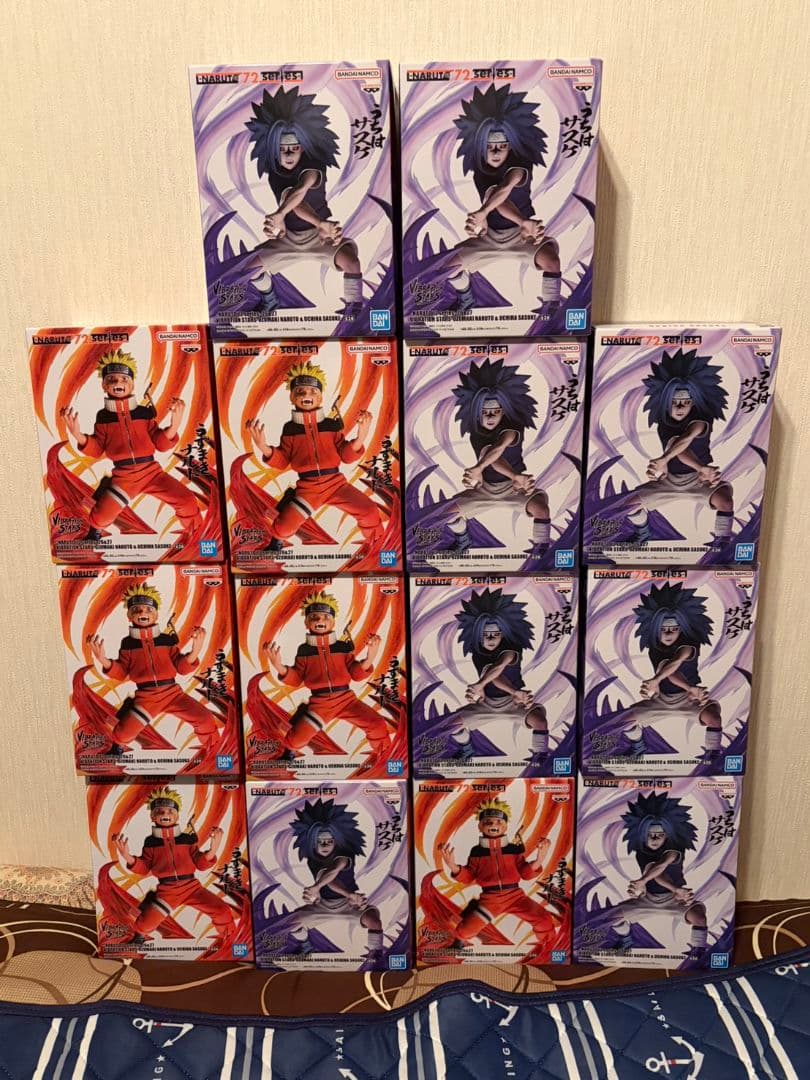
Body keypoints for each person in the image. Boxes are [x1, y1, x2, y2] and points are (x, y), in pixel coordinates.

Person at [245, 85, 364, 318]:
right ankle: (270, 299)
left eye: (294, 148)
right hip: (288, 237)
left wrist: (315, 223)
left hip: (319, 235)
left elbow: (300, 192)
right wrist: (281, 219)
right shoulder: (275, 174)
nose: (289, 154)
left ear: (304, 148)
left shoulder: (313, 168)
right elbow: (292, 201)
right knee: (248, 270)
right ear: (274, 149)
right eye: (283, 149)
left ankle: (355, 308)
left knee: (352, 263)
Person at [61, 349, 201, 541]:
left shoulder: (144, 413)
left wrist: (175, 424)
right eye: (112, 379)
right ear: (104, 385)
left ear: (132, 384)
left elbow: (160, 443)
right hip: (124, 478)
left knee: (187, 501)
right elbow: (97, 448)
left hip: (152, 472)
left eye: (124, 379)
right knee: (100, 518)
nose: (118, 383)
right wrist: (78, 435)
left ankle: (199, 536)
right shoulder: (103, 417)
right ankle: (94, 533)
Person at [86, 583, 218, 755]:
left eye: (148, 609)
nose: (143, 613)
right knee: (123, 734)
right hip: (146, 698)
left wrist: (195, 651)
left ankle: (215, 750)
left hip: (173, 693)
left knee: (205, 719)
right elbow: (122, 672)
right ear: (129, 616)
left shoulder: (166, 640)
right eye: (137, 609)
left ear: (156, 615)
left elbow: (181, 667)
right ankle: (117, 748)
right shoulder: (128, 644)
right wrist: (103, 660)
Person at [263, 590, 391, 761]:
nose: (320, 621)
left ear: (333, 622)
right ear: (306, 623)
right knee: (296, 739)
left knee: (377, 724)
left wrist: (370, 657)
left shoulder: (342, 647)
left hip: (347, 700)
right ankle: (289, 752)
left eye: (325, 617)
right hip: (320, 704)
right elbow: (297, 678)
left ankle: (386, 756)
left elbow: (355, 674)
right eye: (314, 617)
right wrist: (279, 666)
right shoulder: (304, 650)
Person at [112, 786, 234, 946]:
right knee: (145, 925)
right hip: (167, 892)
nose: (165, 814)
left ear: (177, 816)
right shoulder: (150, 842)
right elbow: (144, 867)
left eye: (170, 811)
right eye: (160, 811)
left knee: (222, 911)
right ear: (152, 816)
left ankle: (231, 939)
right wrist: (127, 856)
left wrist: (213, 850)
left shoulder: (187, 839)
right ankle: (140, 936)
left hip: (192, 888)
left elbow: (200, 863)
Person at [439, 799, 553, 950]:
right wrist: (453, 866)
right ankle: (458, 944)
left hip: (516, 896)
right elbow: (469, 876)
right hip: (490, 900)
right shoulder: (477, 852)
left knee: (544, 920)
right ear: (480, 826)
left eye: (499, 822)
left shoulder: (513, 849)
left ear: (506, 826)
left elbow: (525, 873)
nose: (493, 825)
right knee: (465, 930)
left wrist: (539, 859)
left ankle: (550, 946)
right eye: (488, 822)